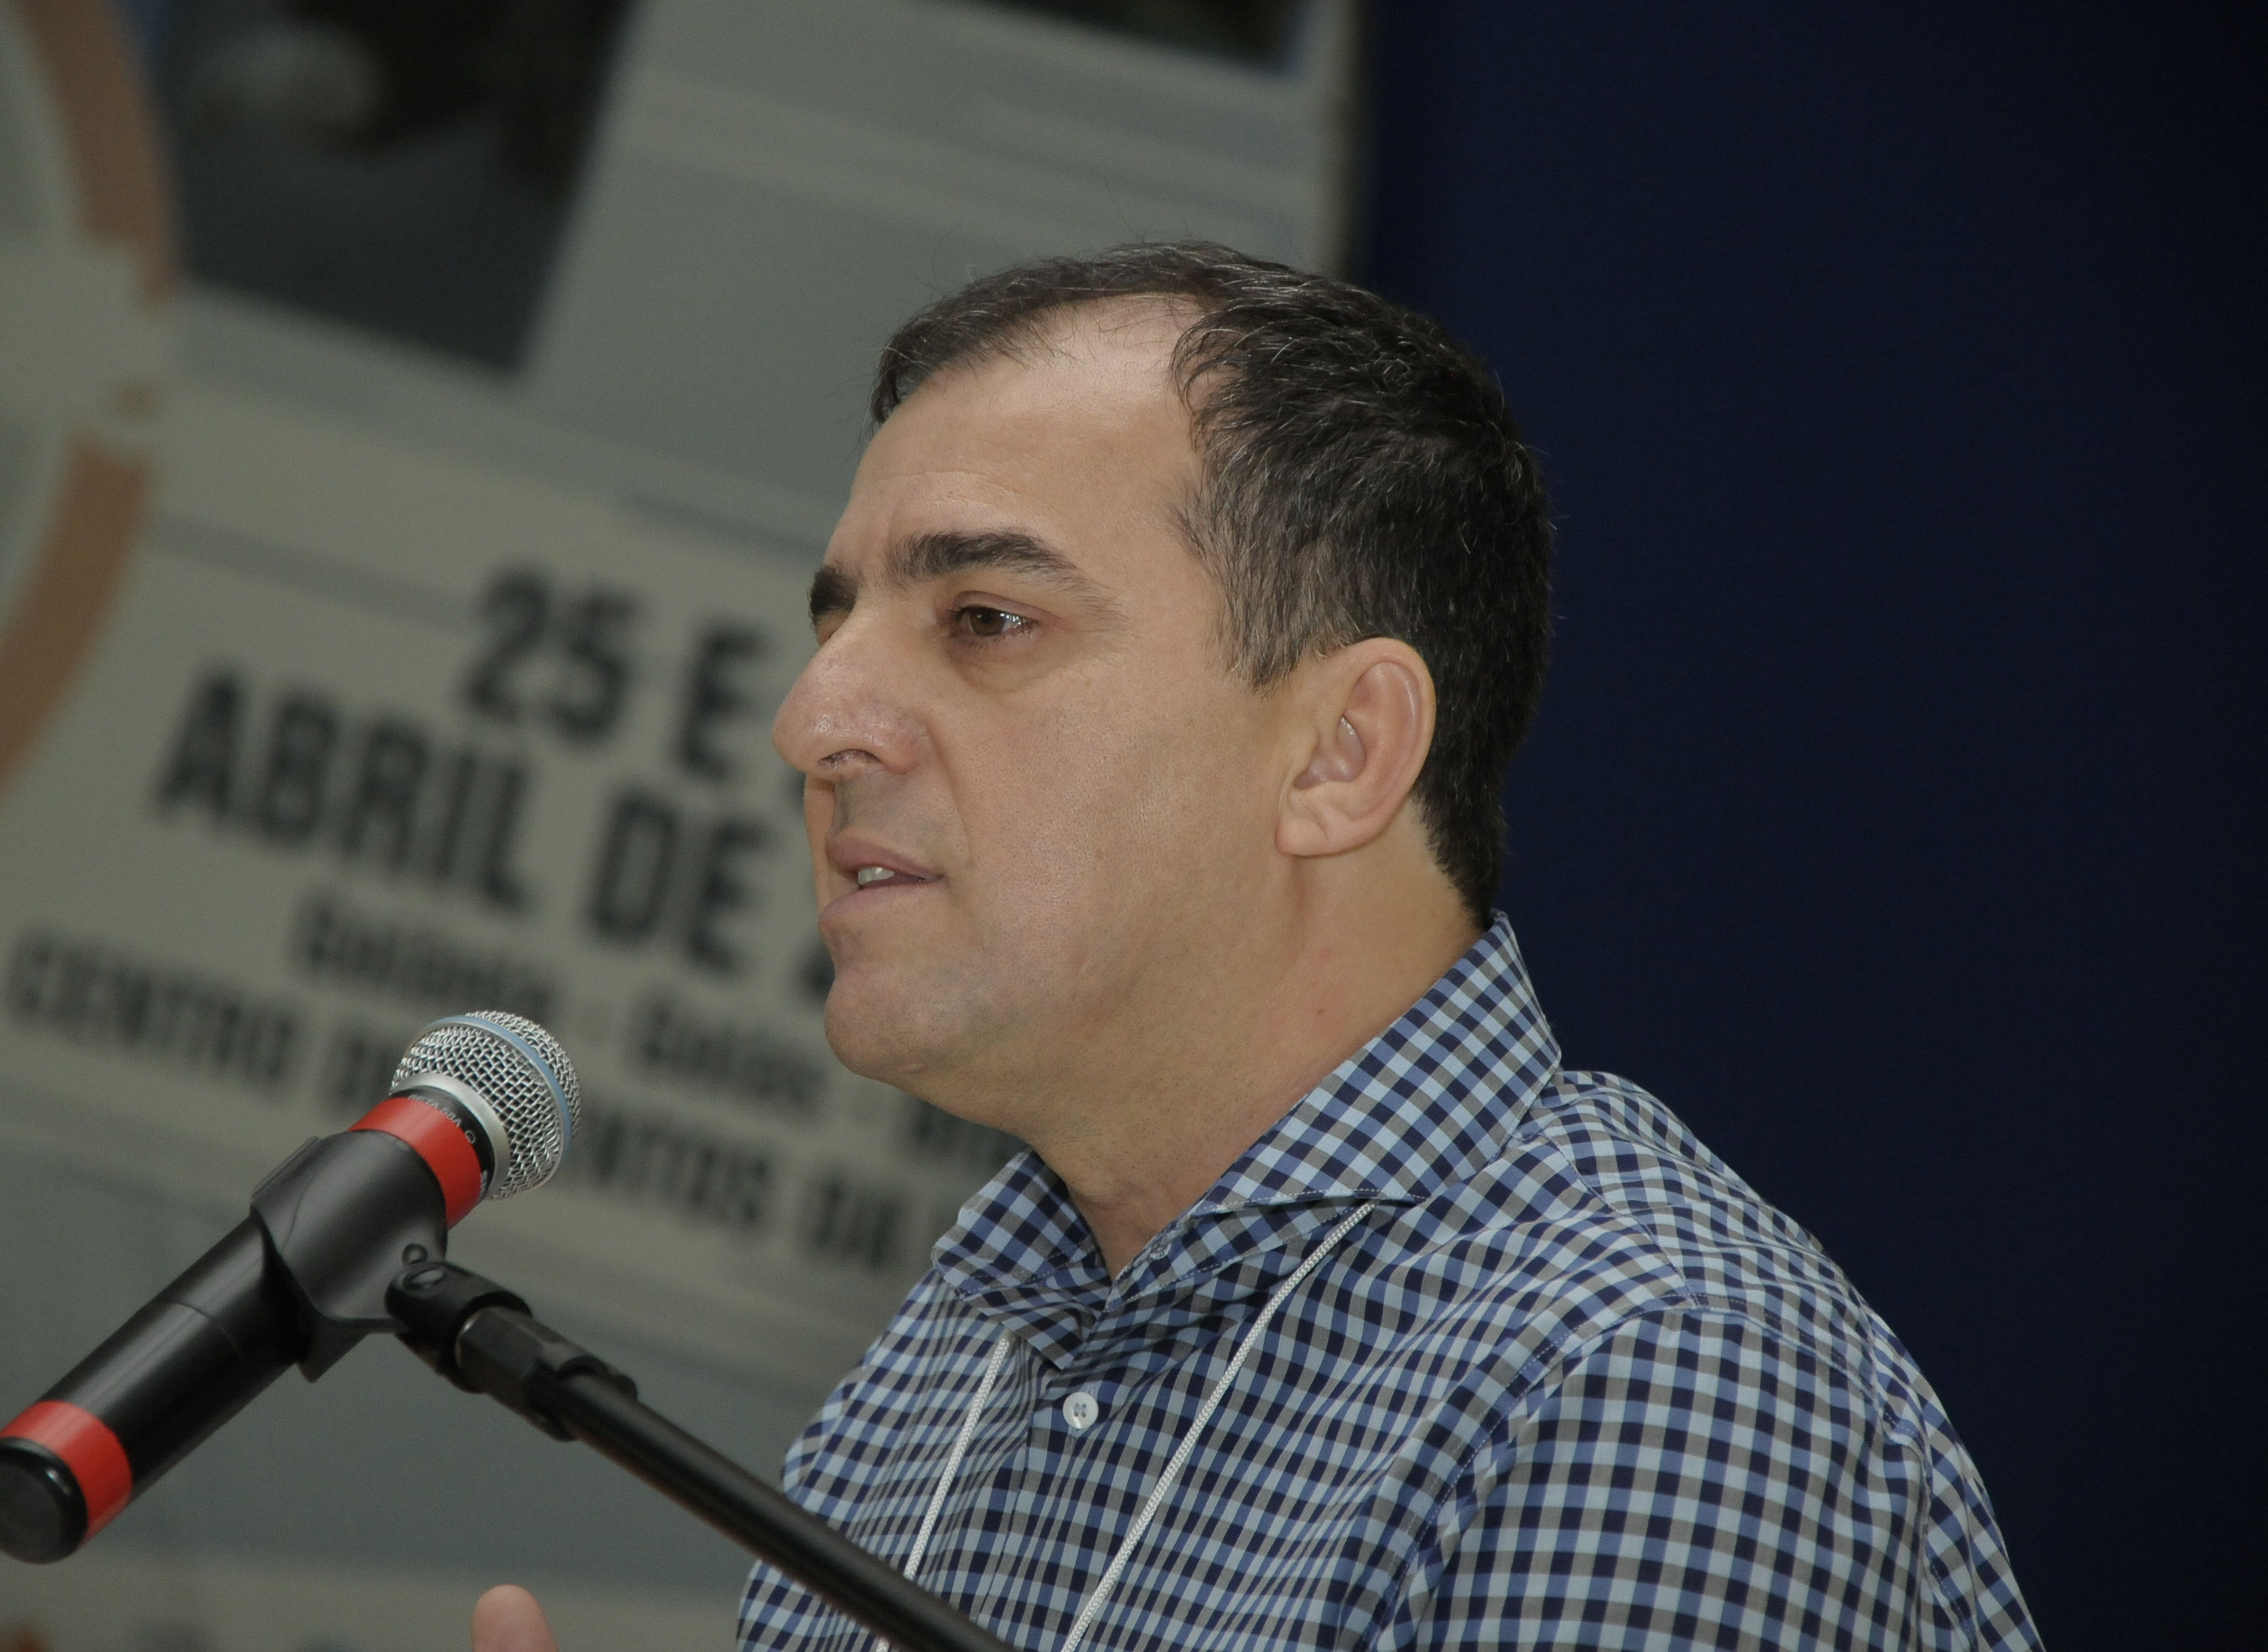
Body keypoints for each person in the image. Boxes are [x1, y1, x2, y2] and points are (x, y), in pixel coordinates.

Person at [476, 243, 2040, 1650]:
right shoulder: (964, 1345)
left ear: (1341, 755)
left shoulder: (1645, 1380)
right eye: (836, 624)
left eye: (987, 620)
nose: (811, 720)